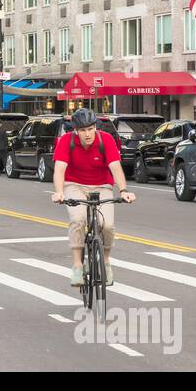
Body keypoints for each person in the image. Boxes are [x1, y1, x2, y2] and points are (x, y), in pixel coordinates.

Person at [50, 109, 136, 287]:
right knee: (78, 219)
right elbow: (59, 169)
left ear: (95, 127)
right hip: (74, 185)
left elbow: (115, 167)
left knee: (107, 225)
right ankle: (77, 266)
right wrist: (59, 192)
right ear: (75, 130)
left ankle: (105, 261)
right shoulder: (66, 141)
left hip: (102, 185)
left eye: (90, 129)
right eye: (82, 130)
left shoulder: (106, 140)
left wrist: (123, 190)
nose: (87, 134)